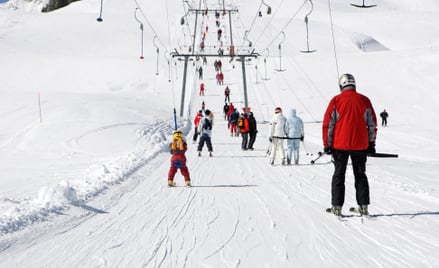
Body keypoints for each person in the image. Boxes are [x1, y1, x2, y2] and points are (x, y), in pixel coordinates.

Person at [322, 73, 377, 216]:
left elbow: (329, 124)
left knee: (339, 175)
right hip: (361, 145)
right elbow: (372, 124)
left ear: (341, 85)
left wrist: (327, 144)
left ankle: (337, 207)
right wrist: (371, 143)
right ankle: (364, 207)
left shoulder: (336, 100)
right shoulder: (365, 100)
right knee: (360, 175)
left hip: (340, 146)